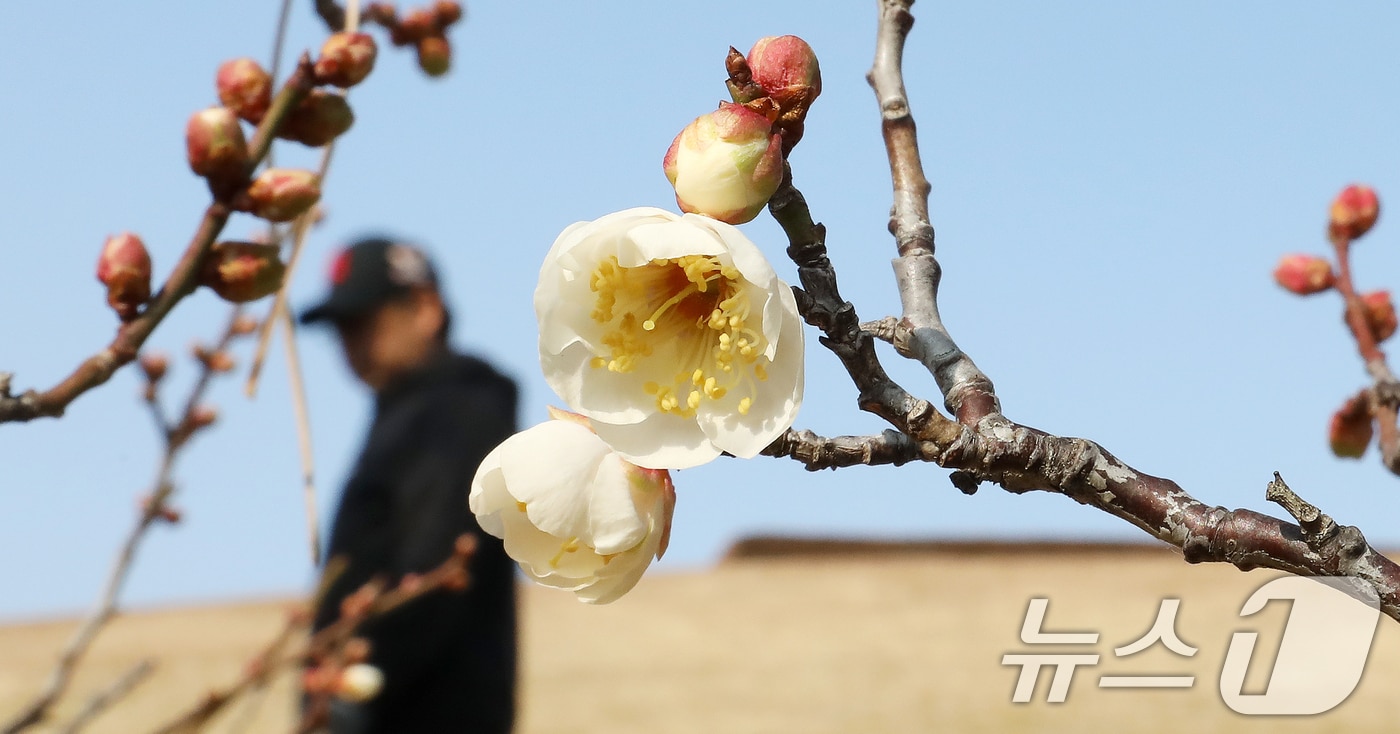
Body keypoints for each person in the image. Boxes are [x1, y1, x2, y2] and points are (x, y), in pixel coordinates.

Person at [300, 235, 518, 733]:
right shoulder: (401, 413)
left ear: (424, 308)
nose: (349, 345)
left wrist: (352, 689)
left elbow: (434, 557)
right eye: (340, 330)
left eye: (362, 323)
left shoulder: (460, 409)